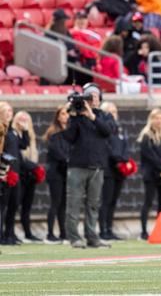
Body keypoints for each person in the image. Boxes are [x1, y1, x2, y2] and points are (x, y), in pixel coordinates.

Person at [63, 83, 114, 249]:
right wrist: (71, 115)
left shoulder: (105, 116)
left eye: (95, 96)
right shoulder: (76, 117)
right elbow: (69, 137)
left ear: (100, 99)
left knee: (93, 204)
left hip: (97, 166)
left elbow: (107, 131)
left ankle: (92, 237)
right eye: (89, 96)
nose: (92, 99)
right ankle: (74, 238)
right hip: (77, 166)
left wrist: (92, 116)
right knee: (74, 203)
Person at [137, 108, 161, 240]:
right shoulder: (146, 136)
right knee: (148, 202)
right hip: (151, 174)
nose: (159, 121)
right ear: (151, 119)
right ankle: (143, 232)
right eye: (156, 118)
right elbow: (150, 157)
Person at [99, 102, 130, 241]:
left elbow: (125, 146)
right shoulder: (105, 130)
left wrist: (124, 160)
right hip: (108, 169)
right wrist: (117, 159)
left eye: (115, 111)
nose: (113, 114)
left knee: (113, 201)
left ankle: (110, 229)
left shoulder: (120, 129)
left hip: (119, 170)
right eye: (110, 112)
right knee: (105, 201)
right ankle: (102, 230)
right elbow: (108, 148)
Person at [13, 112, 45, 243]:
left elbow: (32, 156)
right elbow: (20, 159)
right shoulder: (13, 135)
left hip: (29, 177)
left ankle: (27, 232)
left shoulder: (30, 137)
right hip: (18, 175)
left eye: (26, 119)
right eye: (20, 119)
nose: (23, 121)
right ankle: (10, 232)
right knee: (13, 206)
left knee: (27, 206)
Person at [1, 103, 29, 246]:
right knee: (3, 206)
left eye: (11, 110)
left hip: (14, 173)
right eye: (6, 111)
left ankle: (9, 234)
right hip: (4, 172)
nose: (9, 113)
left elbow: (23, 145)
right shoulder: (2, 130)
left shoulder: (11, 131)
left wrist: (24, 131)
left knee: (14, 204)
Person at [43, 105, 70, 244]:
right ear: (58, 116)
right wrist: (69, 161)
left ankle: (63, 233)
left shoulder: (70, 132)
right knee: (55, 202)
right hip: (56, 173)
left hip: (66, 172)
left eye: (67, 113)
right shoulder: (53, 133)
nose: (66, 116)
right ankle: (49, 234)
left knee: (63, 204)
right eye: (63, 114)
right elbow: (58, 153)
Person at [70, 10, 102, 86]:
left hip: (92, 62)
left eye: (84, 18)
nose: (82, 21)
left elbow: (97, 47)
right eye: (79, 19)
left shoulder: (94, 33)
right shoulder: (71, 33)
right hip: (78, 63)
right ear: (75, 20)